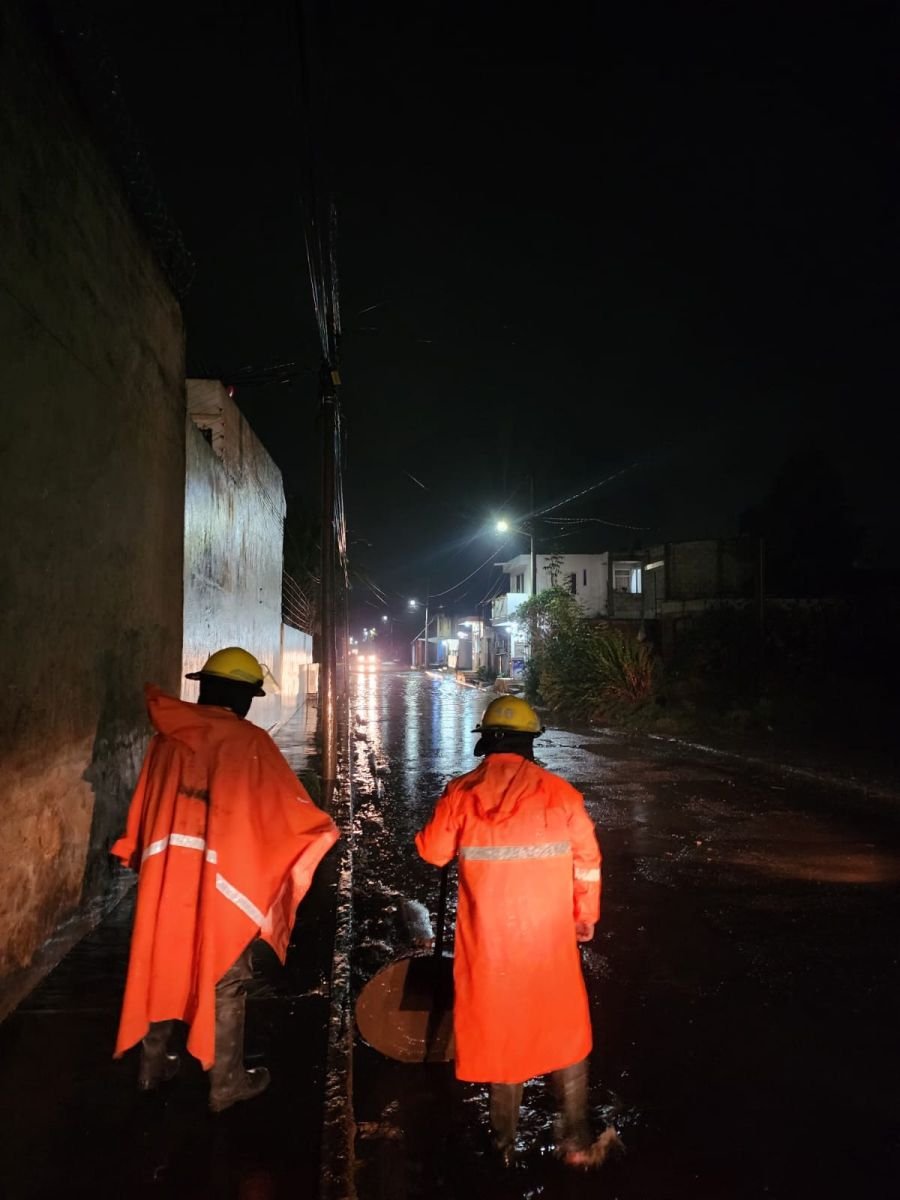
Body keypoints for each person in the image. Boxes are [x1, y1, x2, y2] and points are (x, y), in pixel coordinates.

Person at [111, 647, 339, 1112]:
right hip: (223, 883)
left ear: (205, 687)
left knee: (161, 964)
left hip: (167, 878)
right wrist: (322, 829)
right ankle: (226, 1082)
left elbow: (147, 808)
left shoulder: (167, 738)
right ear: (243, 696)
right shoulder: (250, 743)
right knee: (226, 979)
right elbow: (284, 811)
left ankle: (152, 1067)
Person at [415, 695, 601, 1166]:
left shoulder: (462, 792)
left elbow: (433, 852)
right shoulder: (561, 794)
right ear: (529, 743)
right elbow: (587, 863)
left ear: (488, 741)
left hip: (489, 944)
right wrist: (584, 916)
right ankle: (577, 1143)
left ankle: (503, 1148)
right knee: (565, 1027)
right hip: (548, 940)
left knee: (503, 1032)